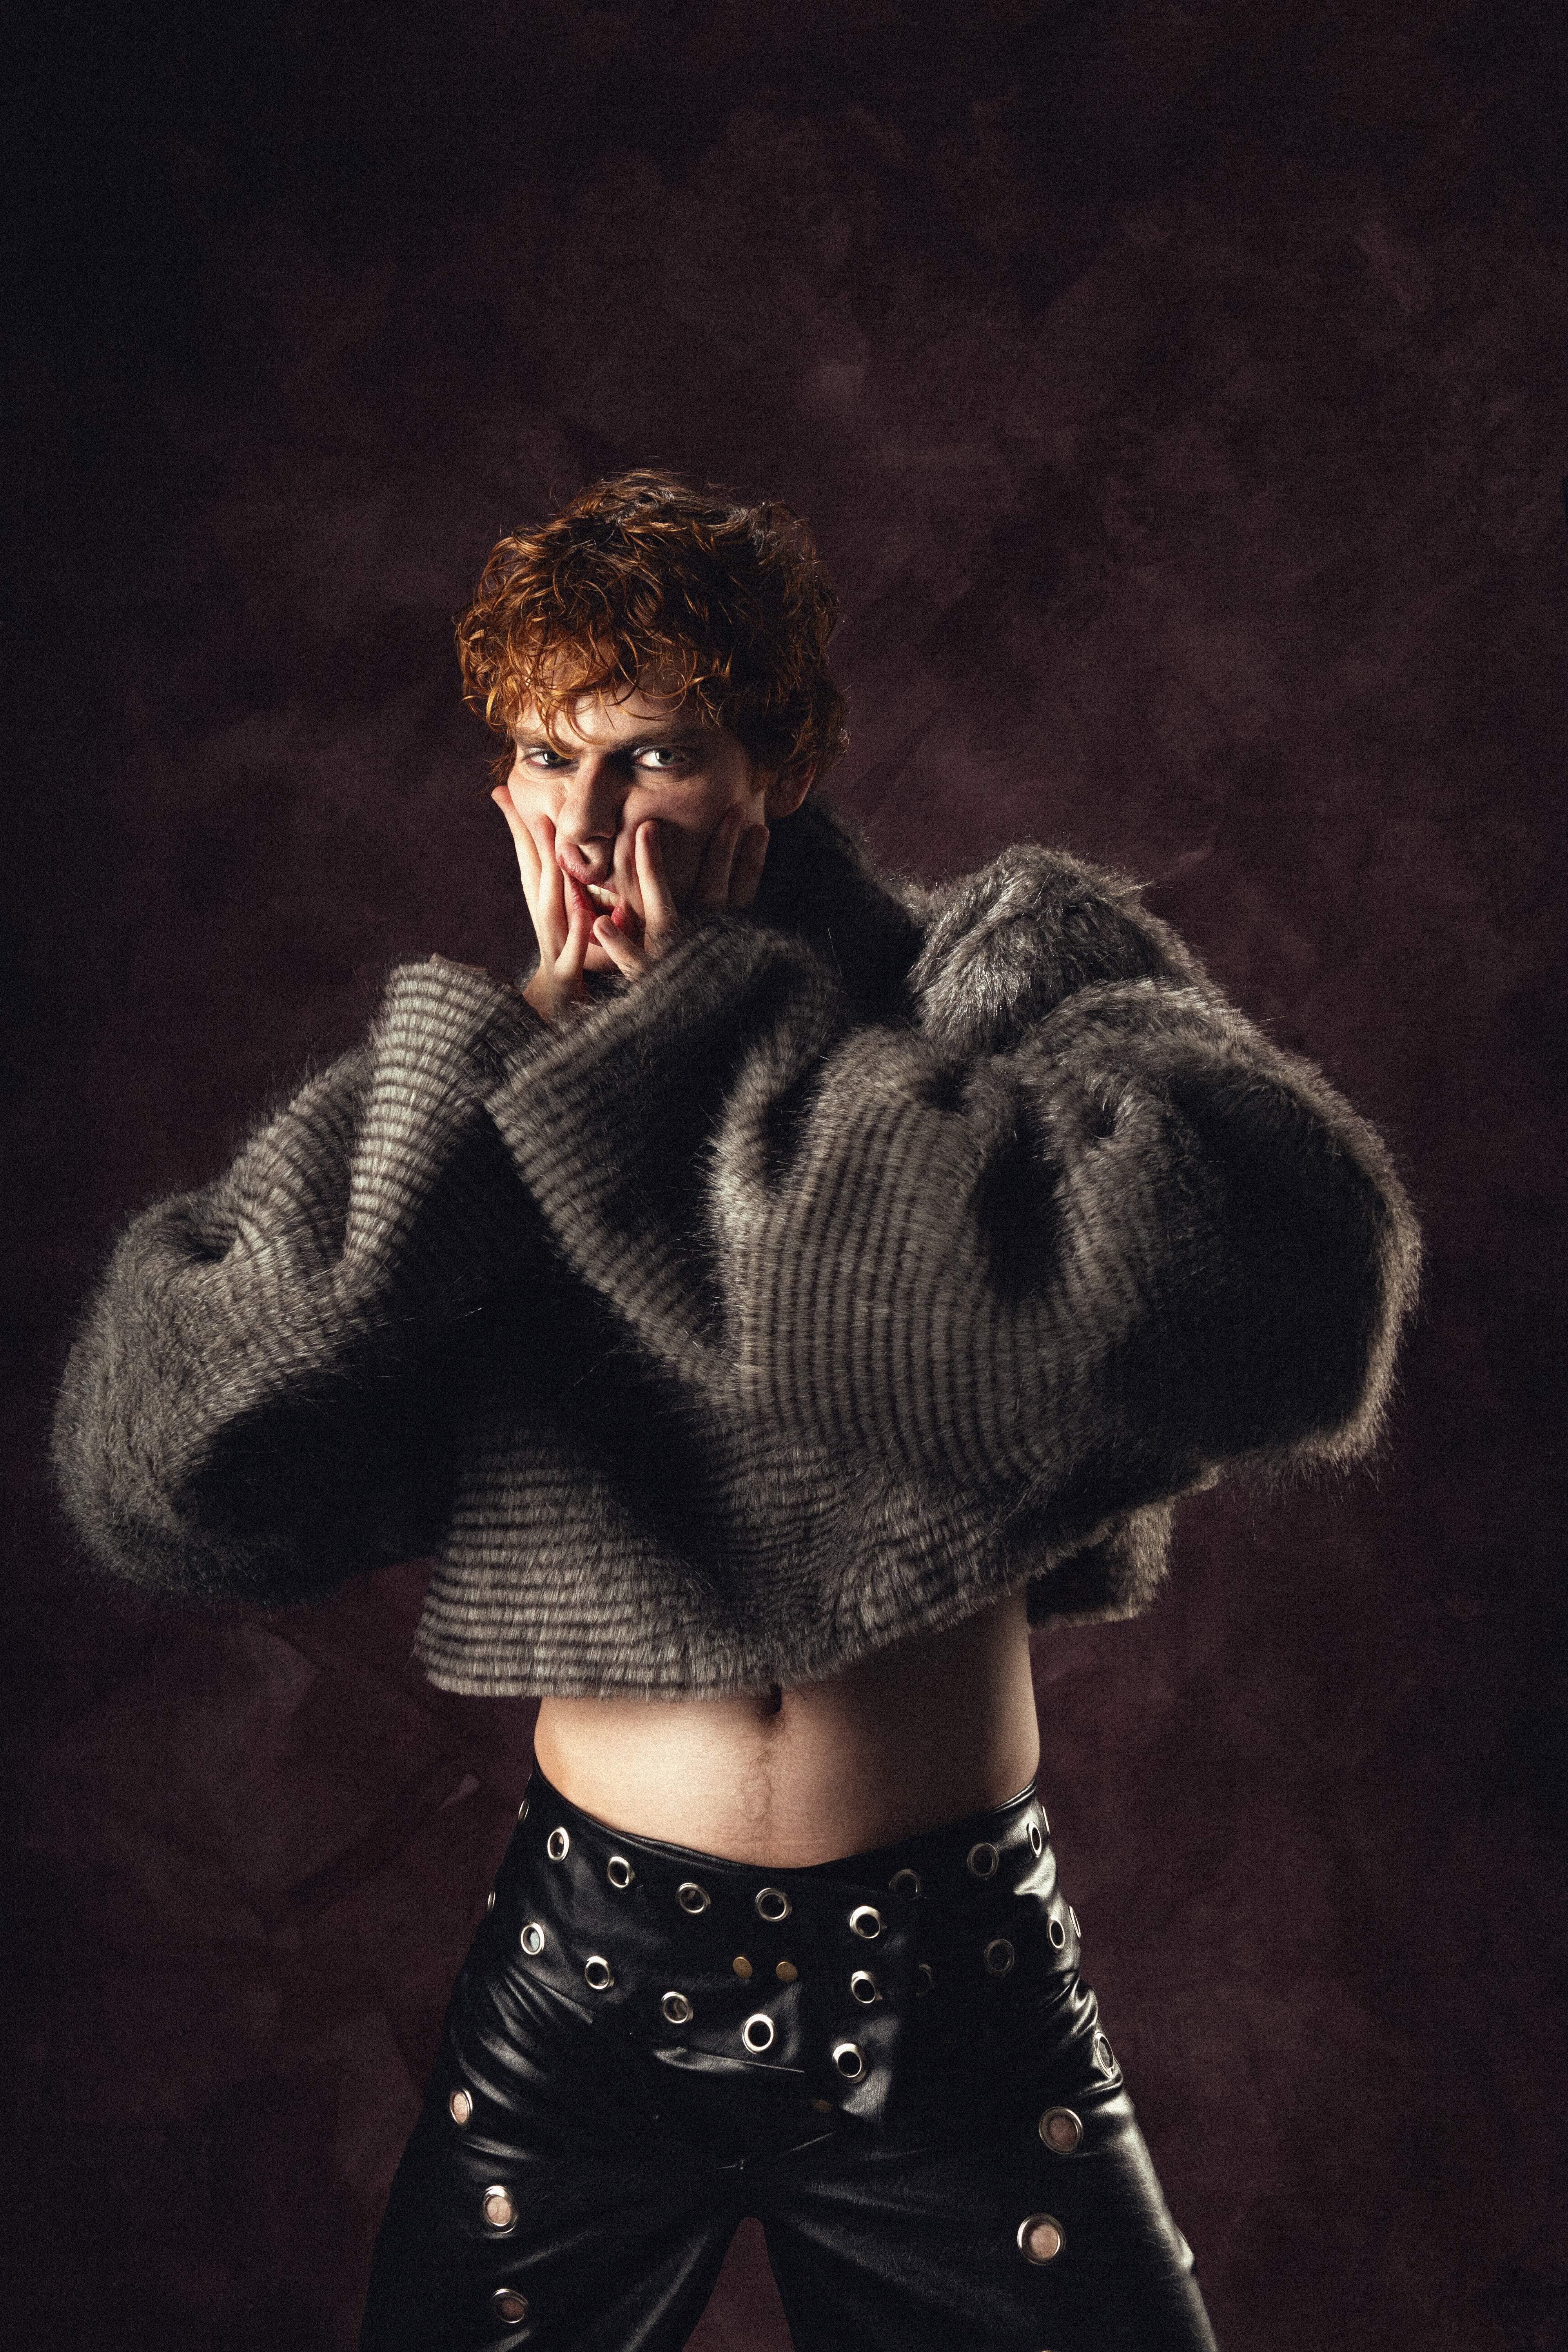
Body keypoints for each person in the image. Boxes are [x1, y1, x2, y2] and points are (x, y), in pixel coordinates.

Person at [51, 468, 1423, 2351]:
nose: (591, 823)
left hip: (951, 1996)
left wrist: (707, 1030)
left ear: (775, 765)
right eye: (548, 761)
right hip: (586, 2001)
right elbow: (158, 1474)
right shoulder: (469, 1101)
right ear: (501, 792)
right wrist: (488, 1094)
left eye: (655, 756)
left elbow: (1285, 1291)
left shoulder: (989, 980)